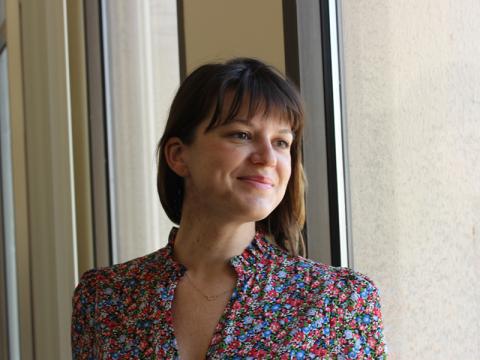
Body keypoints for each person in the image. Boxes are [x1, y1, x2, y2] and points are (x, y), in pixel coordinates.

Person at [72, 58, 387, 359]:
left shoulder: (340, 300)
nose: (267, 157)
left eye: (281, 142)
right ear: (179, 156)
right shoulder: (105, 297)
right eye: (242, 135)